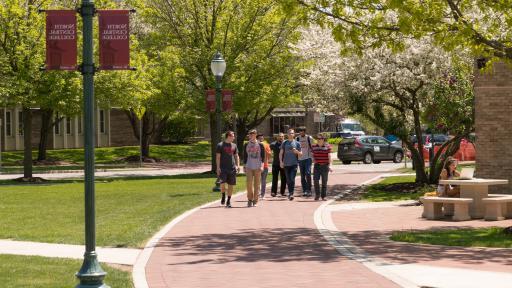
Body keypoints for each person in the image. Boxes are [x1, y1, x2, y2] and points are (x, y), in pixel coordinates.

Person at [216, 131, 240, 208]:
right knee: (222, 184)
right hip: (223, 168)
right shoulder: (220, 145)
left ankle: (228, 201)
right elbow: (218, 157)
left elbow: (236, 156)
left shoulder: (234, 145)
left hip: (232, 168)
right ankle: (223, 195)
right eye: (233, 136)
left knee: (231, 185)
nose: (234, 137)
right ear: (228, 136)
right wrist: (218, 167)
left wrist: (238, 165)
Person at [243, 129, 266, 207]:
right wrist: (244, 166)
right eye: (250, 134)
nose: (252, 135)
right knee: (249, 184)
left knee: (257, 185)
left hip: (258, 167)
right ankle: (249, 199)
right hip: (249, 166)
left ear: (256, 135)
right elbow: (245, 156)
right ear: (249, 135)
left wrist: (262, 166)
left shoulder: (260, 145)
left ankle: (255, 201)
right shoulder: (246, 144)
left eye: (253, 134)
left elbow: (263, 156)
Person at [280, 128, 302, 200]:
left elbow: (301, 154)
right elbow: (281, 153)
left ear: (294, 134)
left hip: (294, 164)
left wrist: (297, 152)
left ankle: (291, 193)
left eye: (292, 133)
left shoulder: (297, 143)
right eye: (289, 133)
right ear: (287, 134)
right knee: (288, 179)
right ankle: (290, 192)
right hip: (286, 164)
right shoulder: (284, 143)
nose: (291, 134)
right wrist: (281, 161)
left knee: (292, 179)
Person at [311, 134, 333, 200]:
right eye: (317, 138)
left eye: (320, 139)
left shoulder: (327, 146)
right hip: (317, 166)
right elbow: (312, 155)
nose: (318, 140)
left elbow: (330, 157)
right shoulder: (314, 146)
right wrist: (313, 160)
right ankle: (317, 195)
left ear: (323, 139)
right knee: (315, 181)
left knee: (324, 181)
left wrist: (330, 166)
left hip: (325, 166)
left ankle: (323, 196)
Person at [296, 127, 314, 197]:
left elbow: (313, 147)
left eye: (303, 131)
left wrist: (313, 157)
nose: (301, 132)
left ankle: (309, 190)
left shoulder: (309, 138)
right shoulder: (297, 139)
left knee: (308, 173)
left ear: (305, 131)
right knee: (302, 176)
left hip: (308, 158)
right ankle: (305, 190)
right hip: (300, 159)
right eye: (300, 131)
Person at [270, 133, 287, 197]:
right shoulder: (273, 144)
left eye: (282, 136)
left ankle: (282, 192)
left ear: (284, 137)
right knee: (275, 178)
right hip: (275, 164)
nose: (281, 137)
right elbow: (268, 152)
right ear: (277, 137)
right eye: (279, 136)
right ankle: (273, 192)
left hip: (284, 164)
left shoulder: (286, 144)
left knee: (284, 178)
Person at [258, 133, 272, 199]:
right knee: (257, 180)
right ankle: (257, 193)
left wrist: (266, 151)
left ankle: (262, 194)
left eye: (262, 138)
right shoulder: (255, 145)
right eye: (259, 138)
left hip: (265, 165)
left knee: (263, 180)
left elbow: (270, 154)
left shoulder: (266, 145)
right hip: (256, 166)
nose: (261, 139)